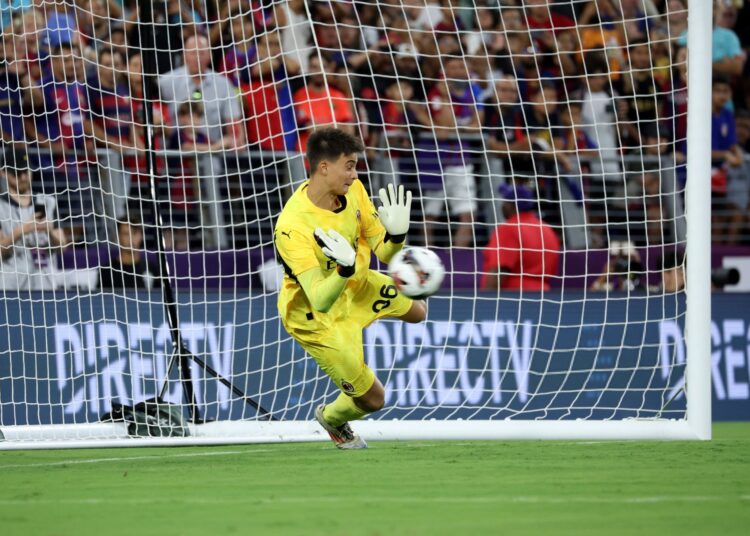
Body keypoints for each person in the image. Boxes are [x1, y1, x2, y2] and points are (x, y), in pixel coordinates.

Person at [274, 128, 427, 449]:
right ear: (324, 167)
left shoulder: (354, 189)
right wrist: (343, 268)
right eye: (350, 165)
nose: (355, 174)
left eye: (355, 166)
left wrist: (397, 236)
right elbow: (319, 298)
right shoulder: (292, 226)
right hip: (315, 316)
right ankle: (331, 418)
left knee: (418, 311)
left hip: (358, 284)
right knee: (373, 399)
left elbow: (385, 252)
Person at [0, 149, 69, 290]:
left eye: (26, 171)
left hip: (45, 284)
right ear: (4, 173)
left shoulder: (48, 202)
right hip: (12, 285)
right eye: (17, 173)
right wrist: (23, 230)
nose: (23, 177)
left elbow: (62, 246)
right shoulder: (1, 206)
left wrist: (49, 231)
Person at [481, 183, 561, 291]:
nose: (503, 205)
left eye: (505, 201)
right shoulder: (547, 229)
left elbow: (498, 272)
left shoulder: (509, 228)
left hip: (514, 297)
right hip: (544, 294)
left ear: (511, 205)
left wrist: (485, 302)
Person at [99, 214, 160, 290]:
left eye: (134, 233)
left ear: (141, 235)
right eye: (126, 234)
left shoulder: (153, 269)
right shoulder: (107, 271)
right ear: (117, 236)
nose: (131, 239)